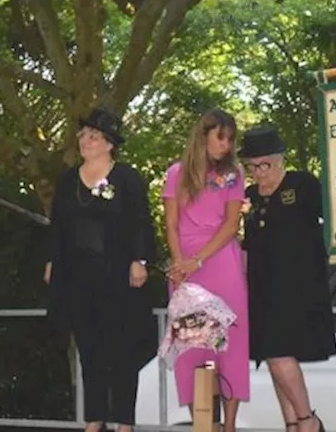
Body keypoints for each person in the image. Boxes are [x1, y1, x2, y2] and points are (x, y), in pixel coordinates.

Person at [44, 107, 156, 432]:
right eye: (82, 136)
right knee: (89, 348)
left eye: (92, 136)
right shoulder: (67, 180)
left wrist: (140, 260)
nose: (85, 141)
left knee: (121, 348)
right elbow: (57, 227)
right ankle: (95, 418)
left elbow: (140, 222)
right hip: (78, 276)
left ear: (109, 144)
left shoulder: (127, 178)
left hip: (117, 274)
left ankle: (124, 421)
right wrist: (53, 261)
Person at [239, 125, 334, 432]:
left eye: (263, 164)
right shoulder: (249, 197)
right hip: (261, 288)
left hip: (299, 285)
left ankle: (308, 420)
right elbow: (244, 246)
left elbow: (333, 222)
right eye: (251, 166)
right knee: (272, 356)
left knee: (279, 353)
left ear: (280, 159)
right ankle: (292, 424)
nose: (258, 172)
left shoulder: (303, 184)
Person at [161, 109, 249, 432]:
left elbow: (231, 224)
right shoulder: (176, 173)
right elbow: (170, 223)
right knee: (192, 347)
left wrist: (196, 259)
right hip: (185, 268)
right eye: (220, 137)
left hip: (221, 261)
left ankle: (229, 426)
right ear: (203, 136)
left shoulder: (234, 174)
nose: (225, 145)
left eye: (230, 139)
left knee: (231, 346)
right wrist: (179, 262)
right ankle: (202, 422)